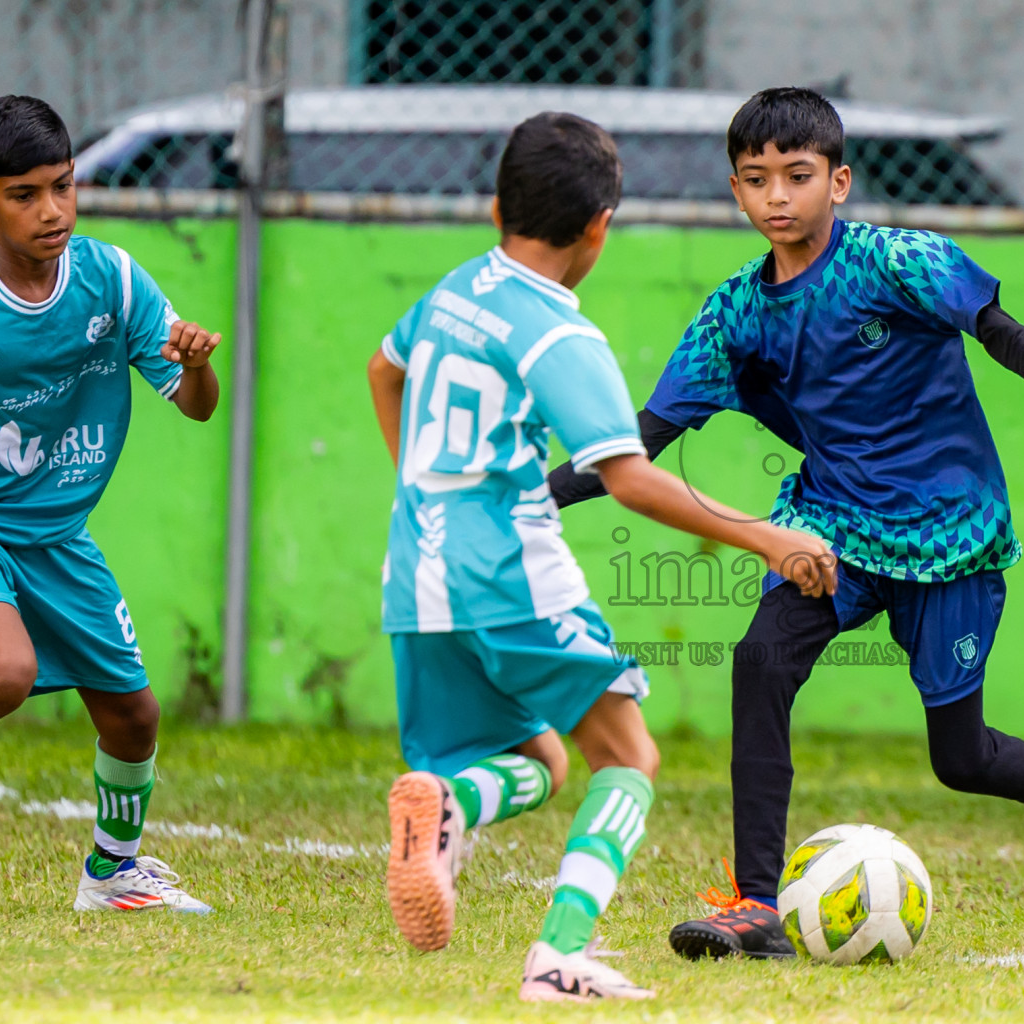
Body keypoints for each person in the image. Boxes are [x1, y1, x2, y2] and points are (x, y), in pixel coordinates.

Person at [547, 87, 1024, 962]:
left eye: (798, 176)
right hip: (829, 532)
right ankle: (756, 904)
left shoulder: (895, 261)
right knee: (759, 663)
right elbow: (644, 439)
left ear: (840, 182)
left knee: (962, 756)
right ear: (737, 192)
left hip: (953, 535)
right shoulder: (736, 313)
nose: (778, 197)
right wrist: (537, 493)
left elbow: (995, 326)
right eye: (758, 181)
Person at [366, 111, 835, 1000]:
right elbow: (629, 478)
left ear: (498, 205)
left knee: (539, 760)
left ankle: (450, 809)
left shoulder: (454, 291)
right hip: (509, 571)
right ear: (600, 226)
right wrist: (767, 536)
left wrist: (424, 484)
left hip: (415, 576)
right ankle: (557, 956)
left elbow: (382, 370)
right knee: (627, 758)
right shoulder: (561, 335)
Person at [0, 95, 221, 914]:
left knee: (133, 715)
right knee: (6, 672)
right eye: (23, 194)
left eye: (62, 185)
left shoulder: (111, 279)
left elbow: (197, 405)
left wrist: (193, 364)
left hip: (56, 535)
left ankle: (113, 872)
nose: (51, 210)